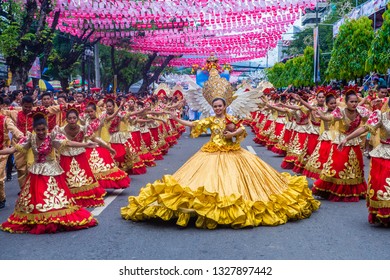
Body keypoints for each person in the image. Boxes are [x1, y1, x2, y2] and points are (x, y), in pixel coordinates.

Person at [121, 69, 320, 229]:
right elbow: (193, 126)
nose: (217, 108)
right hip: (210, 153)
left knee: (236, 183)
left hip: (233, 154)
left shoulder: (231, 119)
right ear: (212, 107)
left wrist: (231, 135)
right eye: (215, 106)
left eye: (219, 106)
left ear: (224, 106)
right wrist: (176, 118)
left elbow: (242, 128)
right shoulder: (209, 119)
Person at [0, 112, 98, 234]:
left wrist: (85, 144)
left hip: (52, 170)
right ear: (34, 129)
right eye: (38, 130)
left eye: (43, 130)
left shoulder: (52, 137)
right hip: (37, 172)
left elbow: (68, 143)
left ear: (47, 128)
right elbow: (13, 149)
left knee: (55, 198)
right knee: (38, 197)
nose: (41, 132)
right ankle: (40, 218)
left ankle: (53, 218)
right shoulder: (30, 138)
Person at [338, 100, 390, 225]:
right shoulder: (380, 116)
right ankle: (384, 214)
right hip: (383, 155)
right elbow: (364, 128)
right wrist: (347, 138)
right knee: (383, 186)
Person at [312, 89, 370, 202]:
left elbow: (370, 121)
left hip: (354, 142)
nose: (354, 104)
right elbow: (330, 118)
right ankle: (333, 189)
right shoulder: (340, 111)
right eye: (351, 102)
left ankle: (354, 190)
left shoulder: (361, 111)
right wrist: (321, 116)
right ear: (346, 102)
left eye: (355, 102)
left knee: (356, 167)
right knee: (337, 166)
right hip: (340, 141)